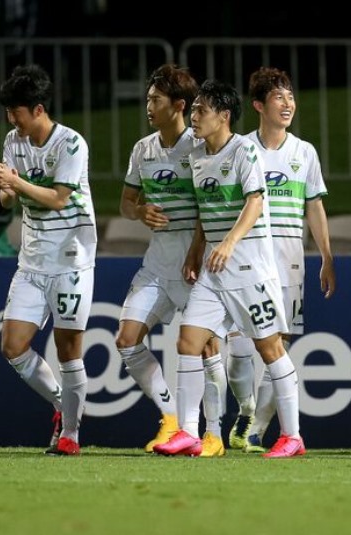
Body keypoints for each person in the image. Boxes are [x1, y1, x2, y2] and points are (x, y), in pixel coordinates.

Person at [152, 80, 305, 458]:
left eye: (202, 110)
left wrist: (230, 243)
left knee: (269, 349)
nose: (195, 117)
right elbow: (206, 211)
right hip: (213, 269)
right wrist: (196, 250)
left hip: (250, 267)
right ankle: (189, 432)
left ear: (224, 116)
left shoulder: (244, 151)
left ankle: (292, 436)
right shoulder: (199, 155)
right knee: (188, 342)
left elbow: (255, 202)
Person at [0, 64, 95, 456]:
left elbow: (59, 197)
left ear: (39, 109)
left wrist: (15, 183)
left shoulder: (71, 144)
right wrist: (3, 188)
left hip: (71, 261)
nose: (12, 120)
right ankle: (62, 404)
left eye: (17, 112)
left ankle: (71, 436)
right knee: (13, 347)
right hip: (31, 262)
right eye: (10, 113)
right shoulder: (14, 141)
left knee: (68, 349)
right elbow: (9, 199)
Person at [114, 63, 225, 457]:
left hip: (195, 262)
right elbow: (126, 203)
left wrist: (198, 250)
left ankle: (212, 434)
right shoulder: (143, 149)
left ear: (179, 105)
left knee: (207, 348)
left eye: (155, 99)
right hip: (158, 263)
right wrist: (140, 212)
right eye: (148, 99)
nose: (148, 105)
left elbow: (209, 205)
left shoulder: (199, 147)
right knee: (127, 339)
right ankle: (171, 417)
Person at [223, 66, 335, 453]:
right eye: (278, 97)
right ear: (258, 105)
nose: (288, 103)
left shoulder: (304, 152)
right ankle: (246, 406)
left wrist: (326, 256)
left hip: (288, 262)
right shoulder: (240, 148)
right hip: (245, 260)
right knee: (239, 350)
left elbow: (315, 207)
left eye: (290, 96)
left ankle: (253, 430)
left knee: (277, 350)